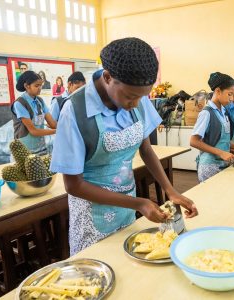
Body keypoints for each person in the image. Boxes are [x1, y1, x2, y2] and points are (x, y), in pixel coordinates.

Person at [50, 38, 198, 255]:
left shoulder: (135, 93)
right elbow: (73, 185)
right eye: (131, 97)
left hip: (127, 206)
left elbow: (145, 148)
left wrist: (170, 190)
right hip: (92, 215)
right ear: (108, 77)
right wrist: (139, 203)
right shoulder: (74, 110)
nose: (136, 104)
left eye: (142, 97)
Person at [190, 72, 234, 182]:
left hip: (222, 164)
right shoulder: (207, 113)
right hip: (210, 166)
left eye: (233, 95)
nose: (231, 99)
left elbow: (223, 140)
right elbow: (194, 142)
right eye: (229, 94)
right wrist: (221, 153)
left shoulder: (223, 111)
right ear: (218, 91)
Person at [11, 71, 57, 155]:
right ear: (26, 86)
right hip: (24, 151)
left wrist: (66, 126)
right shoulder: (20, 103)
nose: (40, 88)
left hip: (40, 148)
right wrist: (57, 131)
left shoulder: (40, 101)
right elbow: (33, 131)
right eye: (36, 85)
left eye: (40, 85)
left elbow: (52, 123)